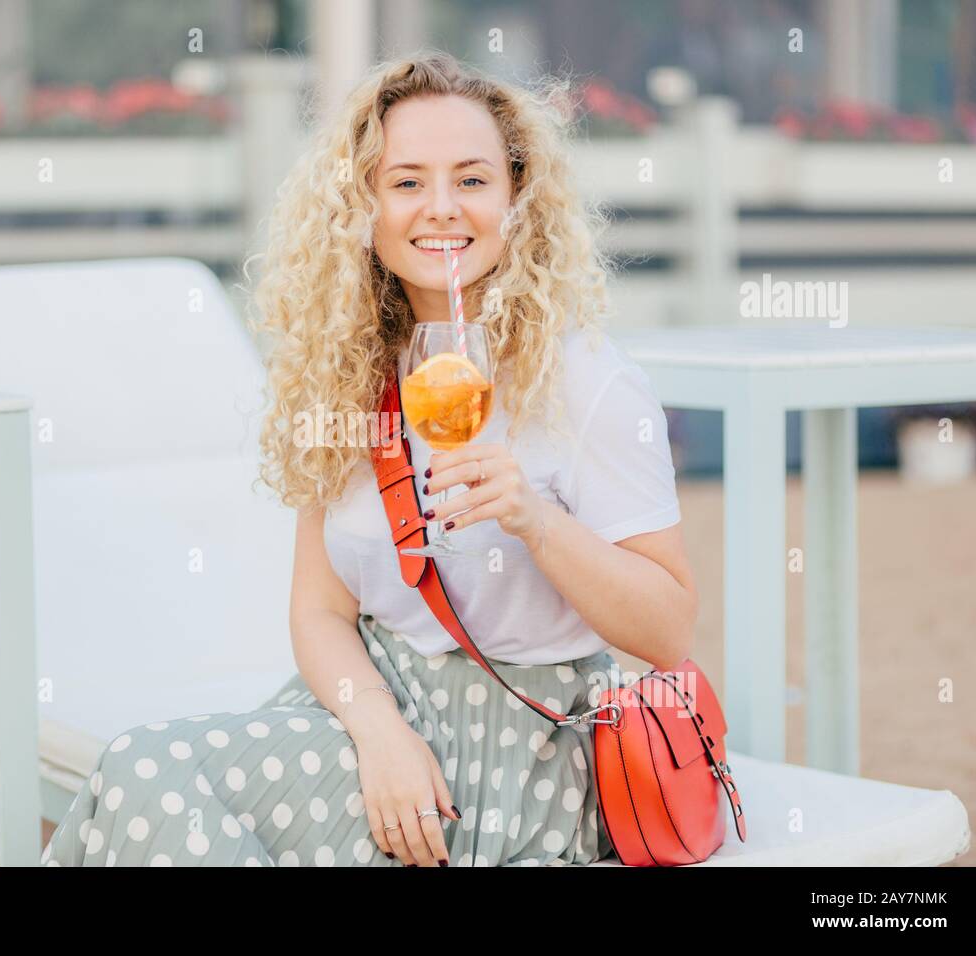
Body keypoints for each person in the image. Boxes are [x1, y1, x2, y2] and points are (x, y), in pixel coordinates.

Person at [43, 50, 697, 868]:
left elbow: (669, 630)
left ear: (517, 199)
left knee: (148, 777)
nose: (442, 210)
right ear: (364, 206)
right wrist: (380, 733)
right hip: (367, 710)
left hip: (522, 745)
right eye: (407, 182)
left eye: (472, 180)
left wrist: (535, 521)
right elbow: (319, 611)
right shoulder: (345, 371)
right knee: (143, 775)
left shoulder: (587, 380)